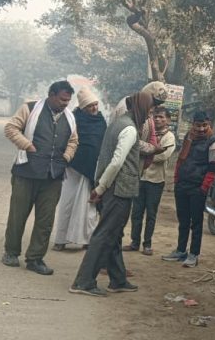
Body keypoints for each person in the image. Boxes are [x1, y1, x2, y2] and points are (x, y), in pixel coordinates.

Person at [69, 92, 153, 297]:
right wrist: (101, 188)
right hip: (119, 190)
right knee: (105, 235)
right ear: (141, 108)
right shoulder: (130, 129)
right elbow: (116, 161)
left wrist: (101, 185)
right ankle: (83, 282)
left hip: (112, 188)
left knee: (113, 234)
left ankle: (118, 279)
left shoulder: (117, 123)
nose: (150, 115)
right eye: (149, 110)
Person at [2, 81, 79, 275]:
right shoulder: (30, 109)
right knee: (18, 215)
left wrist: (66, 157)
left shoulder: (70, 117)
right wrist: (28, 145)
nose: (65, 104)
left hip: (53, 176)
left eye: (68, 100)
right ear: (51, 95)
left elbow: (73, 141)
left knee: (45, 220)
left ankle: (35, 259)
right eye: (62, 99)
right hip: (26, 172)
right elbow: (11, 128)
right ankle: (11, 252)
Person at [162, 110, 215, 268]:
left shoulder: (214, 143)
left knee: (196, 223)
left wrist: (203, 188)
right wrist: (176, 179)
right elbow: (180, 160)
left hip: (197, 188)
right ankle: (181, 251)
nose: (200, 129)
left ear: (209, 125)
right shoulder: (188, 137)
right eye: (197, 125)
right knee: (183, 221)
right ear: (192, 124)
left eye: (204, 125)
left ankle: (194, 254)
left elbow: (213, 170)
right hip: (182, 185)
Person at [52, 88, 107, 251]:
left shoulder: (101, 121)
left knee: (88, 205)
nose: (95, 108)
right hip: (73, 168)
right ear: (83, 107)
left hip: (92, 169)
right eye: (91, 106)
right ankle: (60, 240)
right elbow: (64, 140)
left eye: (96, 105)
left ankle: (87, 240)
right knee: (67, 203)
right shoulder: (73, 119)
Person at [125, 106, 176, 255]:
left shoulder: (169, 137)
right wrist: (148, 153)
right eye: (156, 116)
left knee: (151, 214)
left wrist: (145, 155)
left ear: (168, 120)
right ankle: (135, 242)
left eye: (161, 117)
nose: (158, 119)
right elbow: (138, 149)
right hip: (141, 177)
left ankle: (147, 244)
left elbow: (164, 156)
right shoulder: (146, 132)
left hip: (156, 180)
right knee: (136, 212)